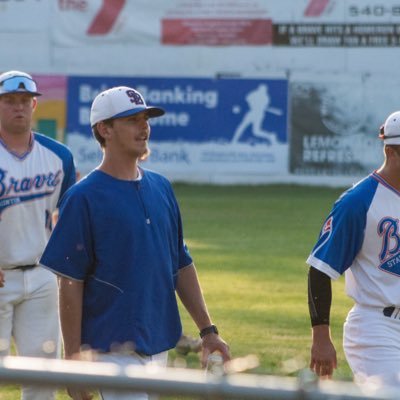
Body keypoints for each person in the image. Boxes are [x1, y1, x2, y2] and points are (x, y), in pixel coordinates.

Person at [40, 86, 231, 400]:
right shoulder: (83, 197)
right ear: (105, 129)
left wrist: (208, 330)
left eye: (145, 118)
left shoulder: (161, 187)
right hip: (111, 345)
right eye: (131, 120)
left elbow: (180, 263)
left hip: (159, 339)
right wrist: (72, 361)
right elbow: (70, 283)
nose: (144, 127)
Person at [307, 110, 400, 388]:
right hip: (377, 327)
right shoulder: (358, 201)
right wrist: (321, 337)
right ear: (391, 151)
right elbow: (320, 269)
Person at [0, 70, 76, 400]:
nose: (17, 107)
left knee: (43, 375)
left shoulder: (59, 156)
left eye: (23, 101)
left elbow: (71, 219)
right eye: (8, 101)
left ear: (34, 105)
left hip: (42, 276)